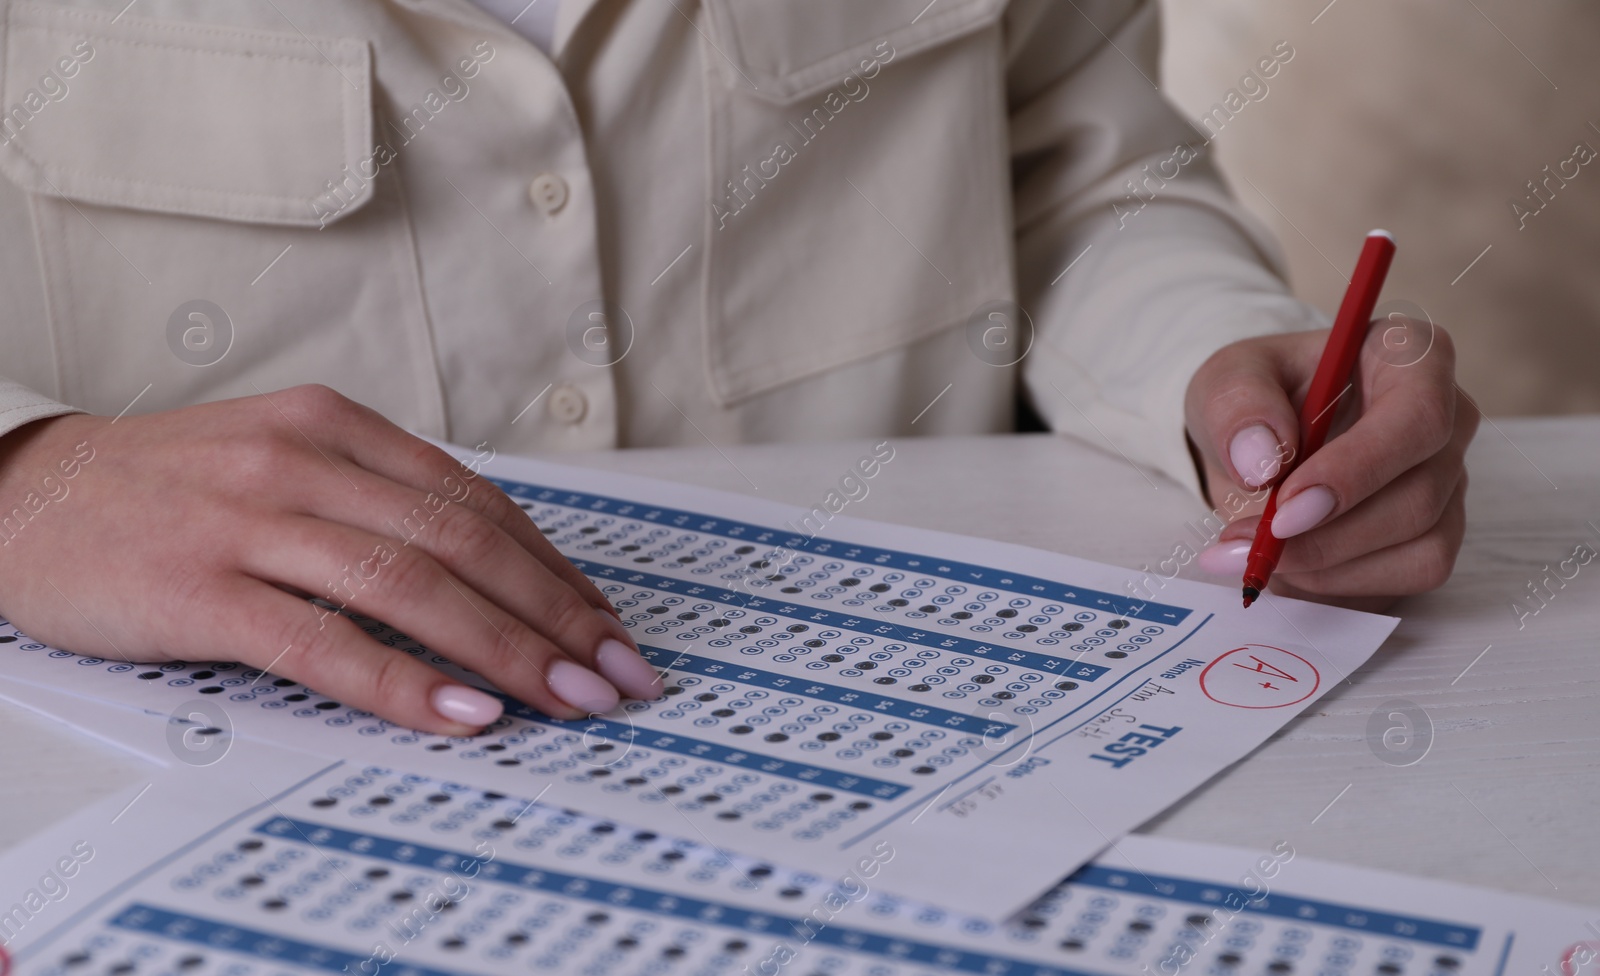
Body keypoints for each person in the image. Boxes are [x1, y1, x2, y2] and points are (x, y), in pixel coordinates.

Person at [0, 0, 1476, 735]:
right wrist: (25, 483)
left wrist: (1215, 365)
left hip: (896, 754)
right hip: (178, 778)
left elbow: (1061, 175)